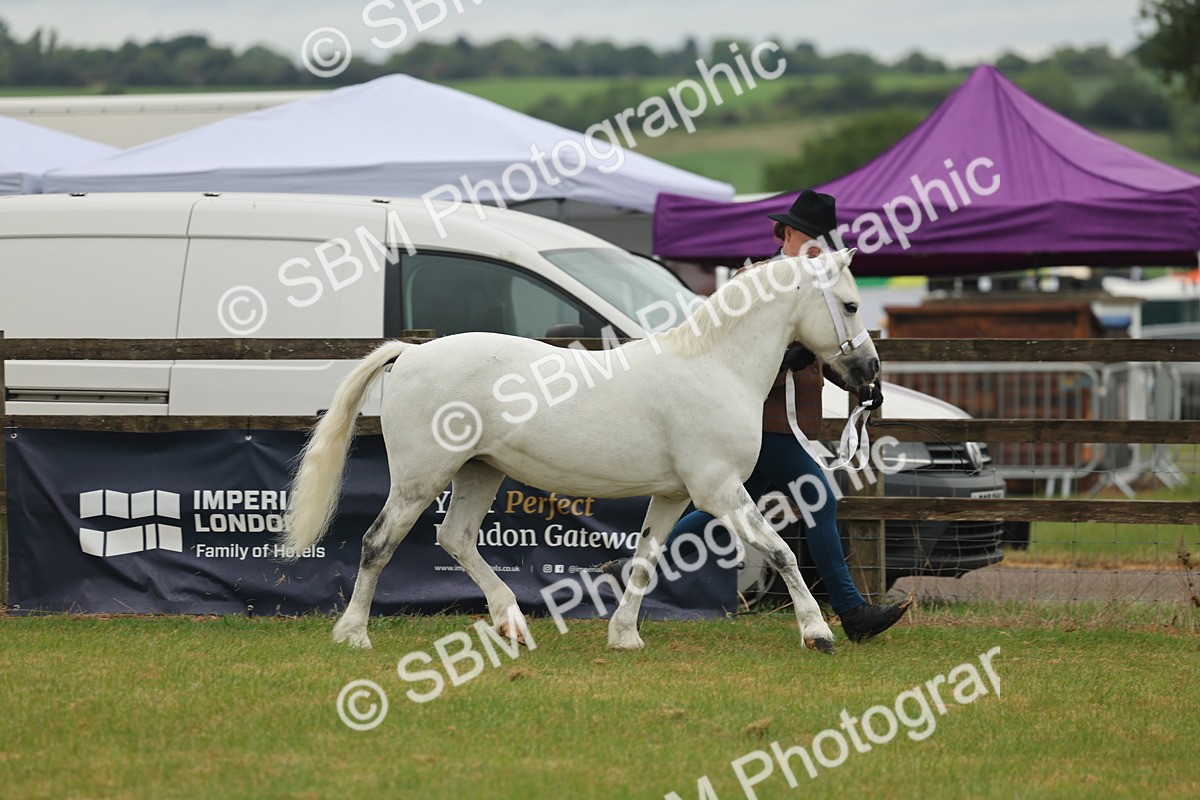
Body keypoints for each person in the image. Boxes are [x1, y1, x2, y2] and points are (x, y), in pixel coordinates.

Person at [609, 190, 910, 642]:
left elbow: (824, 349)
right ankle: (851, 612)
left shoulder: (816, 282)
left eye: (822, 244)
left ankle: (635, 566)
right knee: (819, 499)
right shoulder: (756, 280)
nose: (817, 252)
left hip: (788, 422)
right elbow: (727, 356)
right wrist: (788, 357)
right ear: (787, 234)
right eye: (810, 242)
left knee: (720, 508)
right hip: (759, 422)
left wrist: (857, 380)